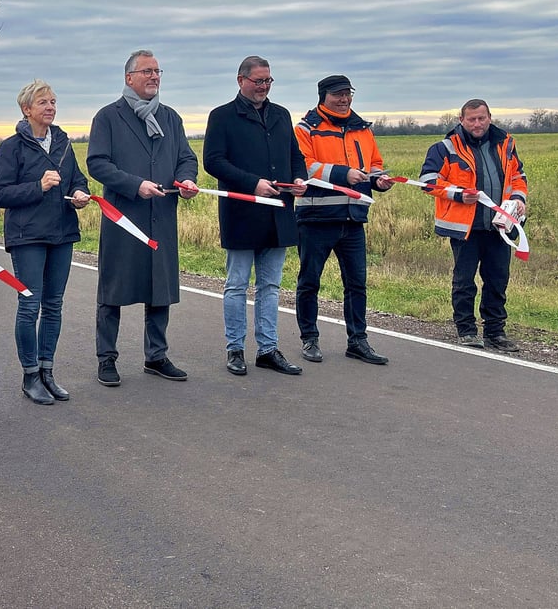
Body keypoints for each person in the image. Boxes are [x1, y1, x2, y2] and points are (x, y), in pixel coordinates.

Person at [86, 49, 200, 387]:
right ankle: (107, 358)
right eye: (147, 71)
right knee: (113, 290)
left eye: (157, 71)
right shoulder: (108, 117)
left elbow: (186, 158)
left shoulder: (170, 118)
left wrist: (187, 180)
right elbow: (98, 164)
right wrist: (136, 186)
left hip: (161, 216)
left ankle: (156, 356)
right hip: (125, 218)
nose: (154, 77)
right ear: (129, 78)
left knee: (159, 290)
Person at [202, 55, 307, 377]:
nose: (263, 87)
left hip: (279, 213)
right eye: (258, 81)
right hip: (242, 212)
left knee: (271, 286)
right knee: (236, 285)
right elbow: (213, 161)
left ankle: (268, 349)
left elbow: (294, 155)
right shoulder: (222, 117)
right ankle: (235, 348)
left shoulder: (280, 115)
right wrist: (252, 184)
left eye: (268, 81)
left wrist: (300, 179)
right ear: (241, 80)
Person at [0, 80, 91, 404]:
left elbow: (77, 178)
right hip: (27, 236)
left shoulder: (63, 142)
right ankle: (30, 375)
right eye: (43, 102)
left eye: (53, 102)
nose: (50, 107)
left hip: (61, 232)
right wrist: (39, 186)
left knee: (54, 305)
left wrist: (78, 193)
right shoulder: (11, 147)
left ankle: (48, 371)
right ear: (27, 109)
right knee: (30, 305)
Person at [293, 75, 394, 365]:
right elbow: (305, 166)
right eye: (337, 94)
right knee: (310, 282)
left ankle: (358, 341)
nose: (344, 99)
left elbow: (373, 164)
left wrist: (379, 179)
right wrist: (342, 174)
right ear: (323, 96)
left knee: (357, 283)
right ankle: (309, 338)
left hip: (353, 218)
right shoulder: (306, 129)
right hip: (316, 218)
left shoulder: (363, 129)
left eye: (347, 94)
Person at [419, 99, 528, 352]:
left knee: (498, 279)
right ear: (461, 120)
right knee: (465, 281)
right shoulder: (445, 147)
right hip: (464, 227)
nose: (477, 124)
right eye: (471, 119)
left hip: (499, 227)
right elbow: (428, 181)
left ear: (489, 117)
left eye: (481, 118)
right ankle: (466, 330)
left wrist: (518, 198)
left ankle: (495, 332)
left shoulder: (505, 144)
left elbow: (518, 176)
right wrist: (457, 194)